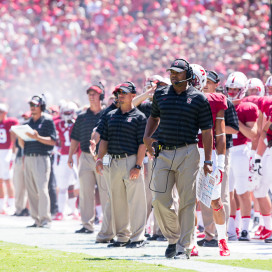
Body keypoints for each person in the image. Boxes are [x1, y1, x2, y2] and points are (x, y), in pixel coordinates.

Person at [143, 59, 213, 259]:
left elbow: (207, 131)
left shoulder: (199, 98)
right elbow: (153, 117)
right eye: (172, 72)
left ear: (188, 75)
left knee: (187, 202)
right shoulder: (160, 94)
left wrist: (208, 160)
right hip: (162, 152)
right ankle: (173, 238)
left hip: (188, 152)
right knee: (159, 201)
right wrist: (146, 137)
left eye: (178, 72)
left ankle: (184, 247)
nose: (174, 75)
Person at [96, 81, 147, 248]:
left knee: (136, 201)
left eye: (124, 92)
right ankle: (122, 237)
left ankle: (138, 237)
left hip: (131, 160)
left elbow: (142, 144)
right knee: (117, 202)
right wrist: (99, 159)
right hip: (113, 162)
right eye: (118, 92)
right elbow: (104, 139)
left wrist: (138, 165)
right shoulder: (110, 115)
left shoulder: (139, 116)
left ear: (133, 95)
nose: (120, 95)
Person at [191, 64, 230, 256]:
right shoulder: (180, 97)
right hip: (188, 151)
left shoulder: (216, 100)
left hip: (208, 153)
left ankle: (222, 239)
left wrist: (220, 163)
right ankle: (191, 242)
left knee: (215, 200)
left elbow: (221, 133)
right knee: (189, 200)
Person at [198, 70, 239, 246]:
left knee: (220, 193)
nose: (206, 84)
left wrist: (213, 129)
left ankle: (225, 232)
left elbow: (234, 128)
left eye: (210, 81)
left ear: (217, 84)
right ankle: (209, 233)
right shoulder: (197, 100)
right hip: (201, 150)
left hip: (221, 150)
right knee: (204, 194)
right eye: (203, 81)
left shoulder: (225, 102)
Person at [68, 82, 109, 234]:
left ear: (101, 96)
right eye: (90, 94)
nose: (91, 97)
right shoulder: (82, 117)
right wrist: (71, 155)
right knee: (85, 191)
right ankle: (87, 224)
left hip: (103, 156)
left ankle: (108, 224)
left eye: (95, 94)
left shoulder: (107, 114)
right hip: (85, 156)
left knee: (106, 191)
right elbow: (75, 138)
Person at [225, 72, 259, 241]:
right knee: (229, 192)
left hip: (240, 151)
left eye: (235, 89)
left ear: (243, 89)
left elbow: (253, 134)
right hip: (226, 150)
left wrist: (234, 122)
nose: (231, 93)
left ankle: (245, 228)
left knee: (243, 191)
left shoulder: (248, 107)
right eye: (229, 89)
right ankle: (232, 228)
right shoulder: (223, 105)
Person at [18, 95, 57, 228]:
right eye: (31, 105)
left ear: (42, 106)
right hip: (28, 157)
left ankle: (45, 219)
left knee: (42, 189)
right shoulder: (27, 123)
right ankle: (36, 220)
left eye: (35, 105)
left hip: (42, 158)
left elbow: (53, 141)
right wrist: (20, 139)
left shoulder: (48, 121)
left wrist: (38, 137)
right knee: (31, 190)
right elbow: (24, 145)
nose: (33, 108)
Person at [53, 101, 79, 220]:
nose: (68, 115)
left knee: (74, 184)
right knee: (62, 184)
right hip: (63, 156)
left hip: (75, 155)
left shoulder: (77, 123)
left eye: (69, 112)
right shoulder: (57, 123)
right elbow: (54, 139)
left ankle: (74, 211)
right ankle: (60, 211)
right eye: (66, 112)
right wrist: (56, 147)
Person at [0, 103, 18, 214]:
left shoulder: (10, 122)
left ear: (5, 112)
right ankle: (2, 206)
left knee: (7, 179)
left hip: (7, 152)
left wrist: (13, 153)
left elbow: (13, 138)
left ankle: (11, 205)